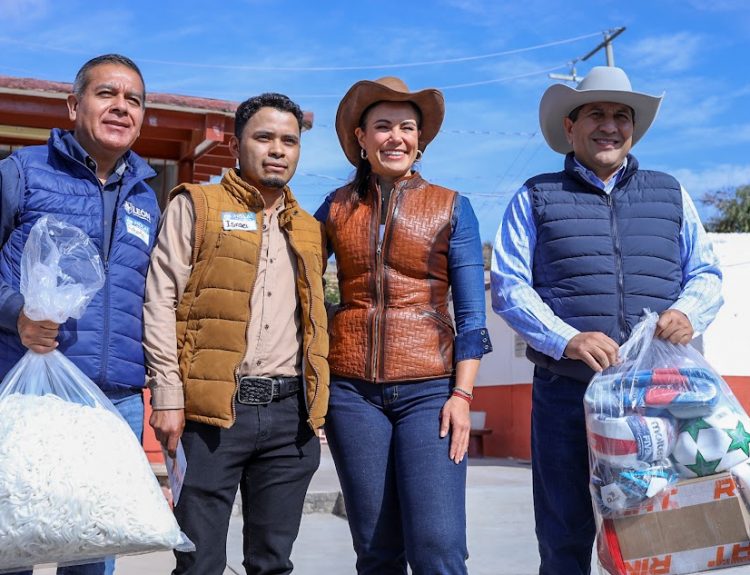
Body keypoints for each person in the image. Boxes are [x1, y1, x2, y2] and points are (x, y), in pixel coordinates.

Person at [491, 66, 723, 575]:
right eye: (596, 113)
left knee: (659, 531)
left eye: (622, 116)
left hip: (660, 397)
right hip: (566, 392)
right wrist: (567, 339)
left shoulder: (670, 193)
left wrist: (688, 311)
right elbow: (509, 285)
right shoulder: (536, 195)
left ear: (633, 129)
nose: (610, 126)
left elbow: (706, 272)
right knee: (564, 533)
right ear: (570, 126)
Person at [143, 92, 329, 575]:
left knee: (273, 563)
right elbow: (160, 299)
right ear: (235, 145)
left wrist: (319, 404)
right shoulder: (197, 206)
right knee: (198, 562)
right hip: (210, 416)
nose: (277, 150)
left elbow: (317, 320)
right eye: (264, 137)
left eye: (289, 140)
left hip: (290, 418)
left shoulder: (310, 229)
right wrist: (167, 394)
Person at [314, 77, 492, 575]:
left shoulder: (452, 205)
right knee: (376, 550)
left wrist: (462, 395)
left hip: (431, 391)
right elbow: (296, 280)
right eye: (383, 126)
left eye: (407, 127)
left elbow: (472, 316)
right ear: (361, 138)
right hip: (352, 393)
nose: (396, 137)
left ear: (420, 139)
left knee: (438, 546)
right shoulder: (334, 207)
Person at [0, 54, 159, 575]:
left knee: (92, 547)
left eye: (133, 100)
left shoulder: (146, 198)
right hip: (23, 391)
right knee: (11, 540)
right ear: (74, 105)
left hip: (114, 401)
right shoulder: (22, 172)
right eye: (106, 94)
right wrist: (16, 313)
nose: (121, 107)